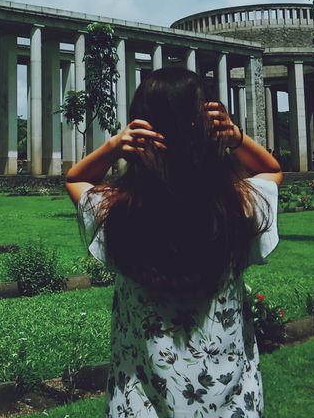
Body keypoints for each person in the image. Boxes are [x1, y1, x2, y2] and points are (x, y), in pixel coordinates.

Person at [66, 67, 282, 417]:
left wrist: (113, 147)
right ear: (209, 129)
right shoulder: (236, 205)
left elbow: (75, 179)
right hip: (230, 404)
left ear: (140, 130)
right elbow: (272, 172)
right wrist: (236, 137)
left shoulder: (118, 212)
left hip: (139, 405)